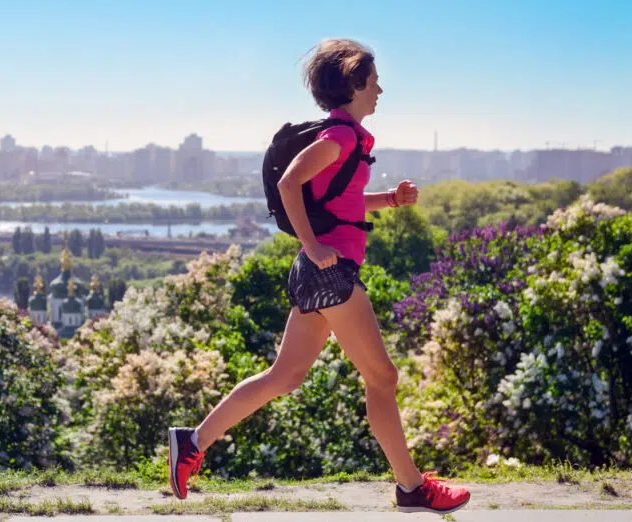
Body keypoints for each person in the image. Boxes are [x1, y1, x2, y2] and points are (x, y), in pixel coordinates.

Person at [168, 38, 471, 515]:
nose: (380, 91)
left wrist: (389, 199)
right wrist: (312, 245)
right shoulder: (340, 137)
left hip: (322, 272)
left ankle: (192, 441)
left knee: (284, 376)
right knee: (383, 377)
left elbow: (339, 203)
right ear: (353, 84)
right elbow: (290, 183)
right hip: (329, 272)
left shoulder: (346, 139)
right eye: (373, 82)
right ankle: (412, 488)